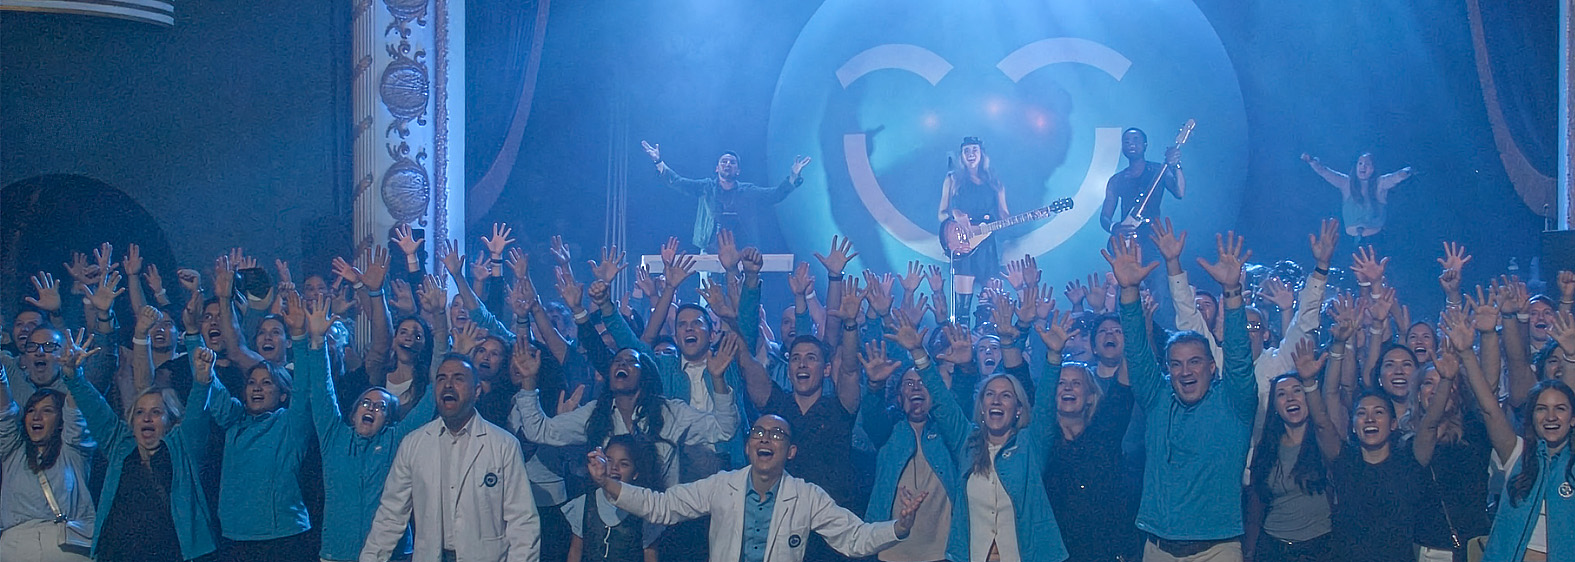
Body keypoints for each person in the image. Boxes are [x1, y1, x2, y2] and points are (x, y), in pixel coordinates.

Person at [586, 413, 926, 562]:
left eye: (777, 435)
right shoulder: (722, 486)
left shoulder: (806, 496)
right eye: (759, 433)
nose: (766, 438)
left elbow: (854, 539)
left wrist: (899, 526)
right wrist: (607, 483)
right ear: (748, 447)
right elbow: (662, 507)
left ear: (790, 452)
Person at [1106, 231, 1254, 562]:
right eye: (1176, 364)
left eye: (1194, 362)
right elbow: (1139, 352)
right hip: (1158, 547)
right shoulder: (1159, 401)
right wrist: (1128, 291)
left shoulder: (1234, 405)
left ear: (1213, 368)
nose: (1185, 371)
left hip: (1217, 550)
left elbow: (1241, 359)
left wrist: (1232, 293)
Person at [885, 308, 1071, 562]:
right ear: (982, 407)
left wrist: (1054, 356)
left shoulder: (1030, 444)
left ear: (1018, 410)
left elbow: (1047, 405)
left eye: (1006, 395)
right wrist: (919, 353)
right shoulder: (968, 442)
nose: (996, 400)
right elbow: (941, 401)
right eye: (990, 394)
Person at [361, 353, 541, 562]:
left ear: (476, 391)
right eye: (441, 379)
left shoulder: (503, 445)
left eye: (458, 379)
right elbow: (390, 516)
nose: (448, 385)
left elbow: (523, 523)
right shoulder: (414, 444)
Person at [299, 293, 435, 562]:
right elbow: (322, 392)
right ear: (353, 412)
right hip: (338, 553)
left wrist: (450, 345)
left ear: (391, 419)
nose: (372, 408)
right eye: (366, 402)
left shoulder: (397, 440)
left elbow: (431, 399)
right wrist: (315, 342)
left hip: (391, 554)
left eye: (382, 407)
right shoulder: (334, 436)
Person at [68, 338, 219, 562]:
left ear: (171, 419)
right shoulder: (120, 444)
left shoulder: (183, 446)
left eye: (156, 412)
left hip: (171, 555)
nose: (146, 418)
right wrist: (74, 376)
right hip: (118, 554)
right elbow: (96, 409)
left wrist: (202, 381)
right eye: (140, 412)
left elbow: (197, 415)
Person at [640, 140, 811, 251]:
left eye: (732, 162)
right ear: (717, 168)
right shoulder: (706, 187)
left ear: (738, 170)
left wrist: (793, 176)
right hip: (709, 249)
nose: (727, 164)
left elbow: (775, 195)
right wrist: (658, 162)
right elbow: (677, 181)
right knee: (709, 296)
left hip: (742, 249)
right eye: (724, 161)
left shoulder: (748, 191)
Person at [0, 375, 94, 561]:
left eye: (47, 411)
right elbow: (5, 413)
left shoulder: (73, 451)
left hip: (68, 548)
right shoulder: (12, 451)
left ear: (60, 420)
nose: (37, 417)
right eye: (31, 410)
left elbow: (76, 418)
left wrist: (74, 373)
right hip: (16, 548)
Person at [937, 137, 1010, 328]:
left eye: (974, 150)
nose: (971, 154)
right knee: (963, 307)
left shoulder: (995, 182)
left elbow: (1004, 213)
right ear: (961, 155)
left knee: (990, 302)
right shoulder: (953, 179)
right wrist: (956, 214)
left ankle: (987, 341)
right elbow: (941, 213)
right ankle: (962, 343)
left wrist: (1009, 221)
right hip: (963, 243)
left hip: (987, 243)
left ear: (982, 154)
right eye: (966, 150)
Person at [562, 434, 667, 562]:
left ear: (636, 473)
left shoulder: (644, 508)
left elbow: (650, 556)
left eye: (623, 464)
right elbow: (575, 551)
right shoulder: (585, 503)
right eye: (609, 460)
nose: (614, 468)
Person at [1300, 151, 1413, 242]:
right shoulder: (1347, 183)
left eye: (1367, 164)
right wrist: (1312, 161)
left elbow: (1393, 178)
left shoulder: (1380, 184)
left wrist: (1404, 173)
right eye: (1360, 163)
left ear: (1373, 168)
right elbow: (1326, 172)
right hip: (1350, 238)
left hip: (1375, 238)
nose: (1363, 167)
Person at [1100, 128, 1185, 239]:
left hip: (1153, 239)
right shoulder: (1116, 180)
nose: (1131, 144)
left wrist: (1176, 165)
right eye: (1126, 141)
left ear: (1145, 145)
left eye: (1136, 140)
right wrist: (1114, 227)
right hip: (1127, 241)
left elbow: (1179, 192)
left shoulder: (1159, 170)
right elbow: (1105, 217)